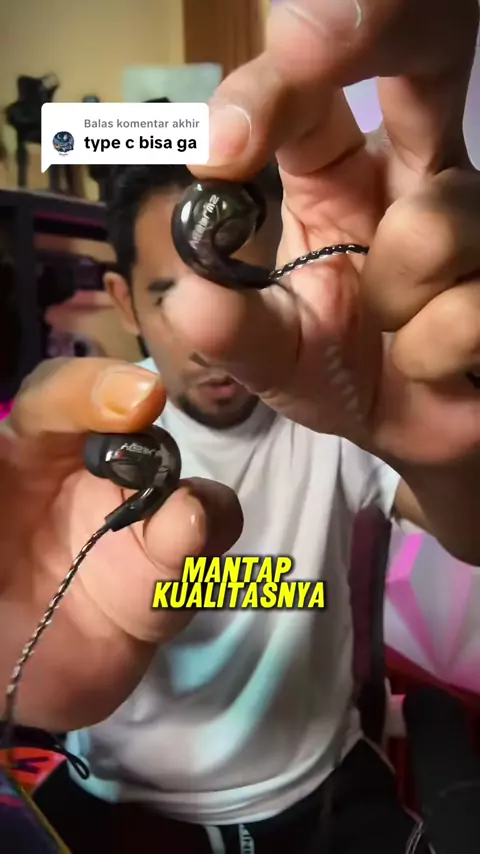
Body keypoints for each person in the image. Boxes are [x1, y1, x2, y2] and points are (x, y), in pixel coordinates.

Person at [1, 0, 480, 851]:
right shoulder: (77, 442)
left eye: (246, 290)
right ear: (122, 303)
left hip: (318, 802)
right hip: (118, 808)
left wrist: (455, 438)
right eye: (167, 297)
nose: (210, 339)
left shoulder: (337, 406)